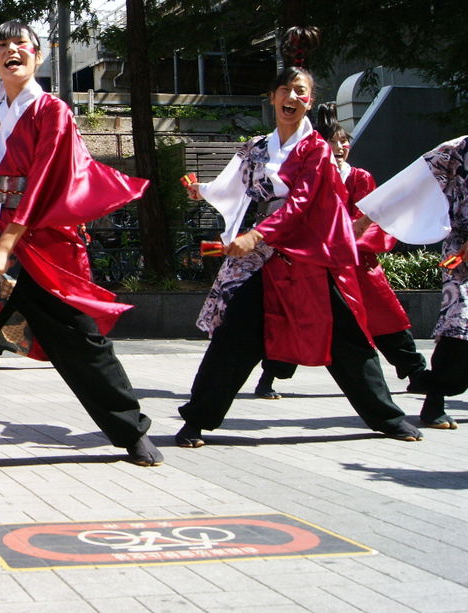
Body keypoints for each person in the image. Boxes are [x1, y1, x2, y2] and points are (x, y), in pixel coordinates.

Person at [0, 21, 163, 468]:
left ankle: (131, 431)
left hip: (40, 244)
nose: (11, 51)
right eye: (1, 46)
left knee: (80, 344)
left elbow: (45, 181)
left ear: (38, 55)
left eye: (21, 44)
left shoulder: (52, 111)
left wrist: (6, 244)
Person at [175, 66, 421, 448]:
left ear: (309, 101)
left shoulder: (316, 149)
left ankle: (387, 417)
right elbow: (233, 186)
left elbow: (301, 203)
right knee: (233, 337)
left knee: (346, 337)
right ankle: (197, 419)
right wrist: (204, 191)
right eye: (285, 90)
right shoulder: (257, 147)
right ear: (272, 97)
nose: (292, 97)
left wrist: (257, 234)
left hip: (307, 252)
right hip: (259, 259)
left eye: (300, 92)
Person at [253, 108, 428, 399]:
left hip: (355, 263)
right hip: (315, 263)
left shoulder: (359, 177)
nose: (340, 147)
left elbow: (371, 218)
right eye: (332, 141)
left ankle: (416, 372)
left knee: (386, 320)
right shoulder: (307, 179)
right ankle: (270, 375)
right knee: (297, 320)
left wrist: (343, 243)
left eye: (344, 140)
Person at [354, 135, 468, 430]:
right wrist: (366, 220)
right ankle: (434, 400)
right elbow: (409, 184)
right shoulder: (456, 151)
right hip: (462, 255)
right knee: (459, 325)